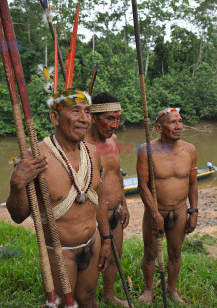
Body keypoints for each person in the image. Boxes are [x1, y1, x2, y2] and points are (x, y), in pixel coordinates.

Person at [6, 89, 112, 308]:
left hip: (92, 242)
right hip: (60, 251)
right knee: (62, 304)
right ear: (55, 117)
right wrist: (17, 184)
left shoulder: (93, 152)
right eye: (76, 111)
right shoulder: (35, 159)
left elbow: (99, 200)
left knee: (88, 296)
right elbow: (18, 216)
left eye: (87, 112)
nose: (85, 119)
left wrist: (106, 239)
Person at [137, 107, 198, 305]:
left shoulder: (190, 150)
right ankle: (148, 289)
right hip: (156, 211)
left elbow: (193, 183)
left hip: (180, 211)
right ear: (158, 127)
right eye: (172, 123)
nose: (179, 126)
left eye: (180, 122)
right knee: (150, 253)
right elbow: (142, 185)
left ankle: (171, 289)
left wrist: (193, 211)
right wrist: (155, 214)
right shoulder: (146, 150)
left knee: (175, 252)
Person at [85, 92, 130, 307]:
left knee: (115, 254)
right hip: (92, 215)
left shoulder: (113, 139)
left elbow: (117, 173)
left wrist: (124, 203)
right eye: (109, 118)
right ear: (93, 118)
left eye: (118, 118)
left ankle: (109, 295)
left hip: (115, 211)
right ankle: (89, 299)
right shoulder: (82, 144)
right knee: (93, 259)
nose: (115, 124)